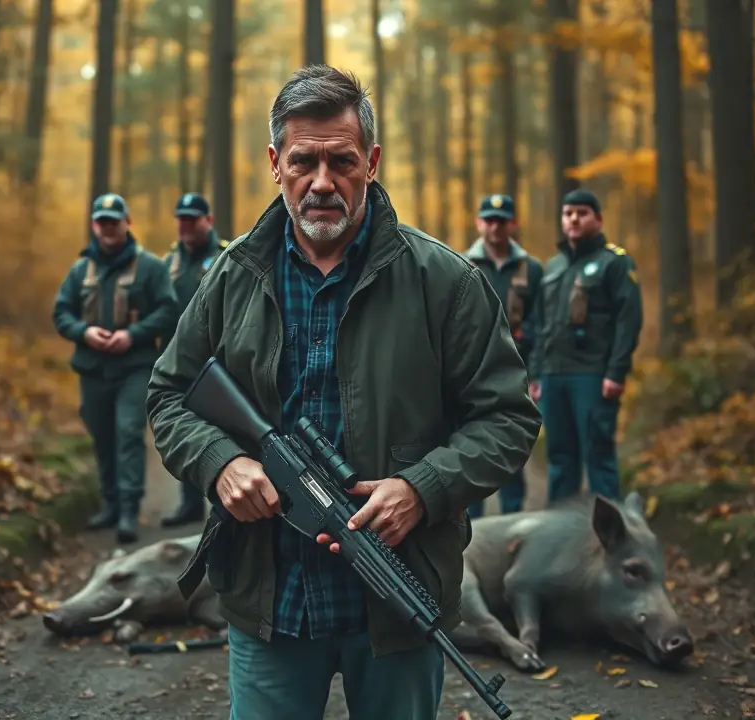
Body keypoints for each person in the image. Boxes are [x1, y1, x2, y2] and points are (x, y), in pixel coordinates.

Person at [145, 65, 540, 720]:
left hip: (398, 601)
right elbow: (168, 394)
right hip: (270, 599)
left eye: (343, 161)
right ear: (276, 163)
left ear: (372, 163)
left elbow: (507, 418)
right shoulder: (233, 275)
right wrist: (222, 464)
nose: (322, 182)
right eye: (304, 161)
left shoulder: (445, 282)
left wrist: (422, 488)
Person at [52, 193, 179, 544]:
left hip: (134, 368)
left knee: (128, 432)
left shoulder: (150, 267)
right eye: (102, 222)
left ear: (127, 223)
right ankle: (109, 504)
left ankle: (128, 510)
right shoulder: (81, 270)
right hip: (93, 370)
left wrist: (132, 335)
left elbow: (168, 309)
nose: (108, 228)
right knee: (102, 435)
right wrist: (84, 332)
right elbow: (61, 313)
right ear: (95, 226)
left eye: (114, 221)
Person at [532, 188, 643, 505]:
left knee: (598, 455)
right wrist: (536, 373)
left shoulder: (614, 262)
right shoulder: (553, 266)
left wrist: (616, 371)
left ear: (599, 219)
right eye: (568, 213)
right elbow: (540, 325)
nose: (574, 219)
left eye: (582, 213)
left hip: (593, 375)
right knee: (559, 458)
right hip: (554, 376)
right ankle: (560, 529)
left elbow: (628, 319)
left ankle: (610, 530)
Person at [461, 193, 543, 518]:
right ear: (479, 223)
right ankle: (474, 529)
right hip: (471, 372)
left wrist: (536, 374)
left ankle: (512, 524)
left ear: (513, 224)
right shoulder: (460, 265)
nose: (495, 227)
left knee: (510, 443)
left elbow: (542, 324)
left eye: (502, 221)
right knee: (470, 445)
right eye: (489, 220)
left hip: (516, 372)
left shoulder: (531, 269)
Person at [160, 192, 229, 528]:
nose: (186, 225)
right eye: (182, 219)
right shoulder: (168, 264)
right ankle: (189, 504)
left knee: (226, 430)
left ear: (209, 220)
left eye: (193, 219)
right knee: (186, 428)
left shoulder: (227, 256)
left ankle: (226, 504)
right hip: (183, 361)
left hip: (221, 363)